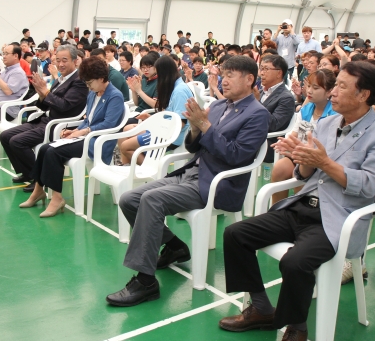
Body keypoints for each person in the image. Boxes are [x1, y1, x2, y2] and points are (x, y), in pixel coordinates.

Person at [219, 62, 375, 341]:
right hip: (303, 205)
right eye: (335, 85)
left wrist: (324, 162)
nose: (333, 92)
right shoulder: (327, 124)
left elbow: (369, 186)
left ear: (364, 94)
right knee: (236, 234)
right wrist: (300, 157)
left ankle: (296, 328)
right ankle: (261, 307)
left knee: (295, 262)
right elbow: (303, 175)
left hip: (338, 217)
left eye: (342, 86)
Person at [106, 56, 270, 307]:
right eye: (223, 75)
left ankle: (146, 281)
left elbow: (236, 156)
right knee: (130, 199)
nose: (223, 81)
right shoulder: (218, 106)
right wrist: (195, 129)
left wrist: (204, 125)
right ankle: (174, 246)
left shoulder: (258, 114)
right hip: (194, 171)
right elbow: (194, 147)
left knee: (151, 199)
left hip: (218, 183)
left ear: (249, 79)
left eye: (230, 76)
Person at [19, 57, 125, 217]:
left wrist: (82, 132)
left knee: (54, 152)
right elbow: (88, 120)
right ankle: (38, 190)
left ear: (101, 78)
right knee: (45, 148)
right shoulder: (92, 94)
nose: (88, 86)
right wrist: (74, 130)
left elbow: (109, 124)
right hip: (86, 137)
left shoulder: (115, 96)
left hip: (98, 143)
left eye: (90, 82)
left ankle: (57, 198)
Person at [0, 45, 88, 191]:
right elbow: (44, 106)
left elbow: (64, 105)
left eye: (64, 60)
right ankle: (28, 173)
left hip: (60, 124)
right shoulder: (60, 79)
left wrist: (46, 92)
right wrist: (41, 94)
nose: (60, 64)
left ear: (74, 61)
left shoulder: (79, 81)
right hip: (45, 119)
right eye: (58, 60)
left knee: (17, 142)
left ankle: (39, 179)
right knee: (5, 136)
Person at [270, 69, 336, 204]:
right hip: (300, 154)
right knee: (279, 169)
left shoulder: (334, 114)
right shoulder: (306, 109)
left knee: (298, 176)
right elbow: (295, 134)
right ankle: (276, 209)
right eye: (309, 86)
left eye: (315, 88)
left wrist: (299, 151)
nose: (309, 91)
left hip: (319, 160)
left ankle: (299, 209)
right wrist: (286, 143)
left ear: (329, 92)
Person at [118, 55, 193, 164]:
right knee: (126, 131)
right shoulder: (174, 86)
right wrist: (151, 119)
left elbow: (180, 123)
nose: (158, 77)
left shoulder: (179, 91)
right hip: (163, 129)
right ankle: (128, 168)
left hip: (169, 135)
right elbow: (168, 113)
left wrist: (156, 126)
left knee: (125, 147)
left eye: (159, 74)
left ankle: (153, 169)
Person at [258, 54, 295, 163]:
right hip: (252, 135)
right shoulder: (260, 92)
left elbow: (274, 124)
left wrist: (256, 104)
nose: (262, 73)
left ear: (279, 73)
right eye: (261, 68)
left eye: (266, 69)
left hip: (268, 142)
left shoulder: (286, 98)